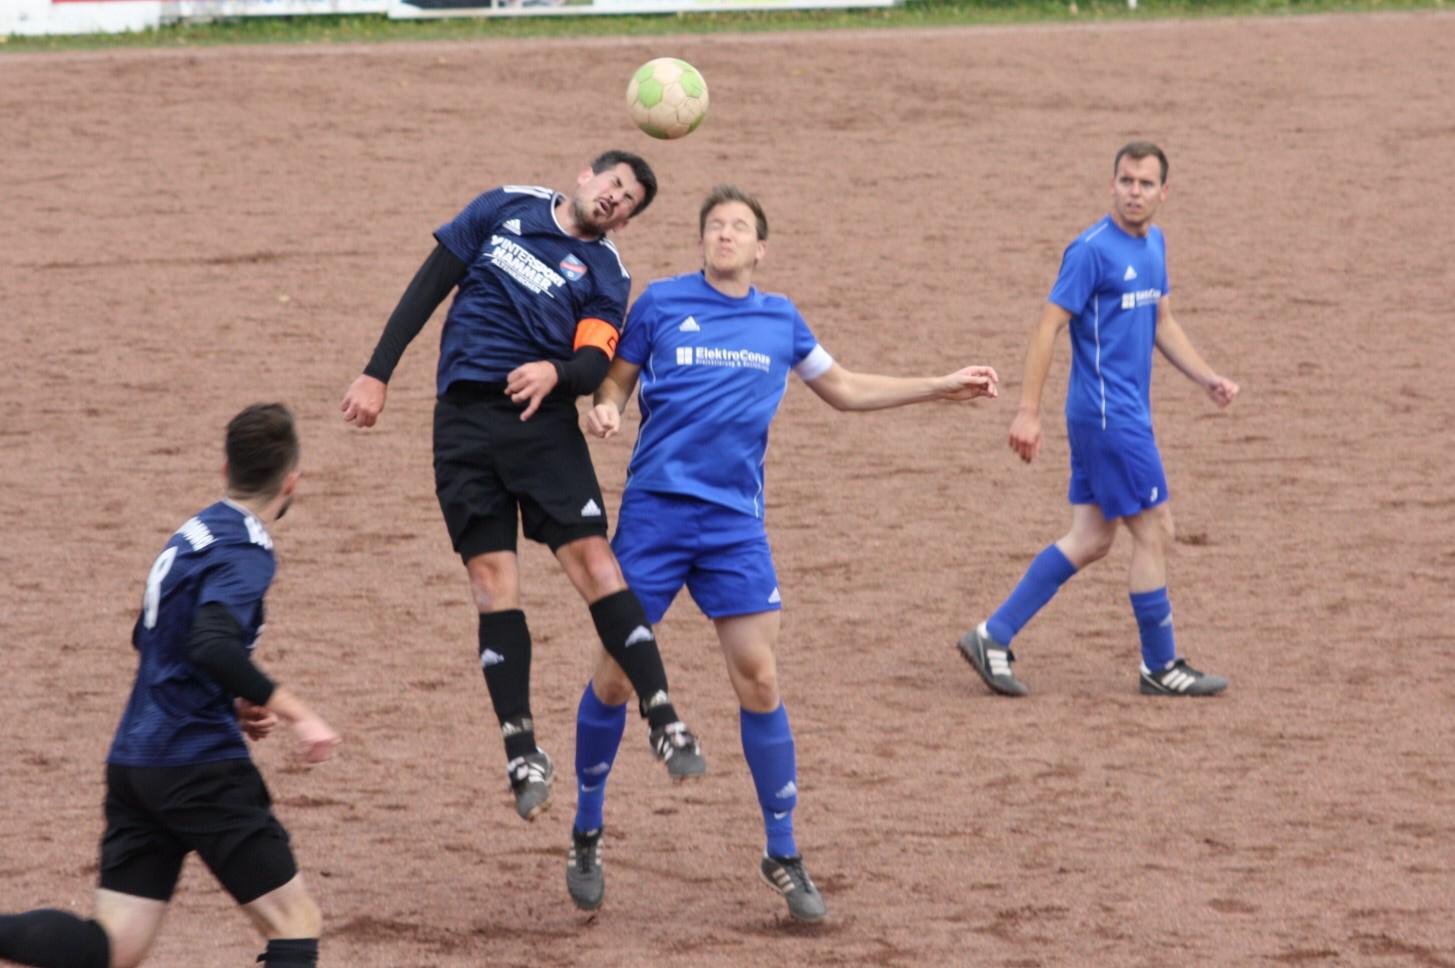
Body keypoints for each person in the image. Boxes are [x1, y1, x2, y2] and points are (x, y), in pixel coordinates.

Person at [563, 184, 1000, 922]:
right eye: (714, 226)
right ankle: (586, 829)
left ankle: (782, 851)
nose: (724, 234)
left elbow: (846, 388)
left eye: (738, 227)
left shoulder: (780, 317)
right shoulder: (661, 304)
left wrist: (936, 386)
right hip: (655, 518)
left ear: (760, 247)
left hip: (733, 525)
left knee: (759, 679)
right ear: (702, 243)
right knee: (613, 678)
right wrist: (605, 404)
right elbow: (615, 379)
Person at [340, 150, 705, 823]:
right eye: (614, 185)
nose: (616, 200)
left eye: (629, 202)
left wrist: (555, 374)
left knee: (596, 563)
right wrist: (376, 372)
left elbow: (594, 357)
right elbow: (429, 284)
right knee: (490, 583)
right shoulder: (504, 206)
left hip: (540, 429)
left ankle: (663, 716)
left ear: (625, 221)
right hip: (463, 424)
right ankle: (521, 750)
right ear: (585, 176)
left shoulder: (604, 271)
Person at [0, 403, 340, 968]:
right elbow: (210, 643)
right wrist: (298, 712)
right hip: (198, 763)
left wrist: (231, 700)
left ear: (224, 468)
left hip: (138, 761)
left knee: (114, 944)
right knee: (295, 921)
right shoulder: (246, 550)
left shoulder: (193, 533)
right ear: (291, 482)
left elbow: (153, 638)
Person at [957, 141, 1240, 700]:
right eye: (1126, 181)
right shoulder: (1090, 251)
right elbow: (1046, 327)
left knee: (1090, 538)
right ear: (1112, 184)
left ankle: (992, 635)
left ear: (1164, 191)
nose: (1134, 192)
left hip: (1118, 414)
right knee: (1156, 530)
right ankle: (1160, 666)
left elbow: (1162, 322)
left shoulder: (1154, 244)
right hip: (1109, 418)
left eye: (1145, 183)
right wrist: (1027, 412)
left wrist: (1206, 376)